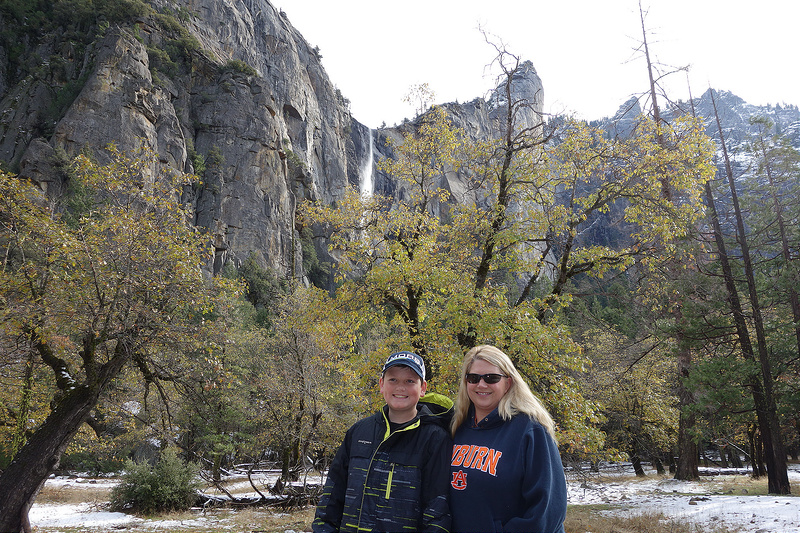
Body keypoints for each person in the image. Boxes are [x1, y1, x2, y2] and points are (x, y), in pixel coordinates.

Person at [313, 351, 453, 533]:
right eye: (393, 380)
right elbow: (331, 496)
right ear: (381, 384)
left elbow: (438, 512)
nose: (400, 387)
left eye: (410, 381)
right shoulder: (358, 432)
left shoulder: (435, 439)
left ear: (423, 388)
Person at [449, 345, 567, 533]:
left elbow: (548, 511)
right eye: (473, 378)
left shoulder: (530, 430)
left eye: (492, 378)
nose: (481, 384)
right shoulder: (458, 428)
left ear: (508, 383)